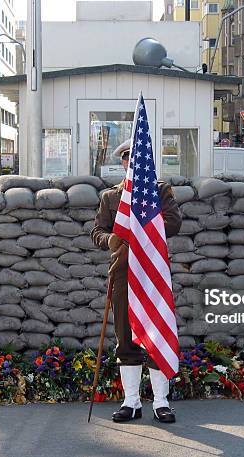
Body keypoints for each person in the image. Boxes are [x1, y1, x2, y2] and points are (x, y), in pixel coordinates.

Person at [91, 139, 182, 424]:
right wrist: (110, 239)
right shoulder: (111, 197)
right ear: (123, 163)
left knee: (156, 335)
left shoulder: (160, 191)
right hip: (123, 274)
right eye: (128, 159)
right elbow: (97, 232)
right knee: (125, 339)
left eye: (139, 159)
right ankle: (131, 402)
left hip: (152, 276)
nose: (133, 163)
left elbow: (175, 223)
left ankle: (161, 402)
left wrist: (144, 227)